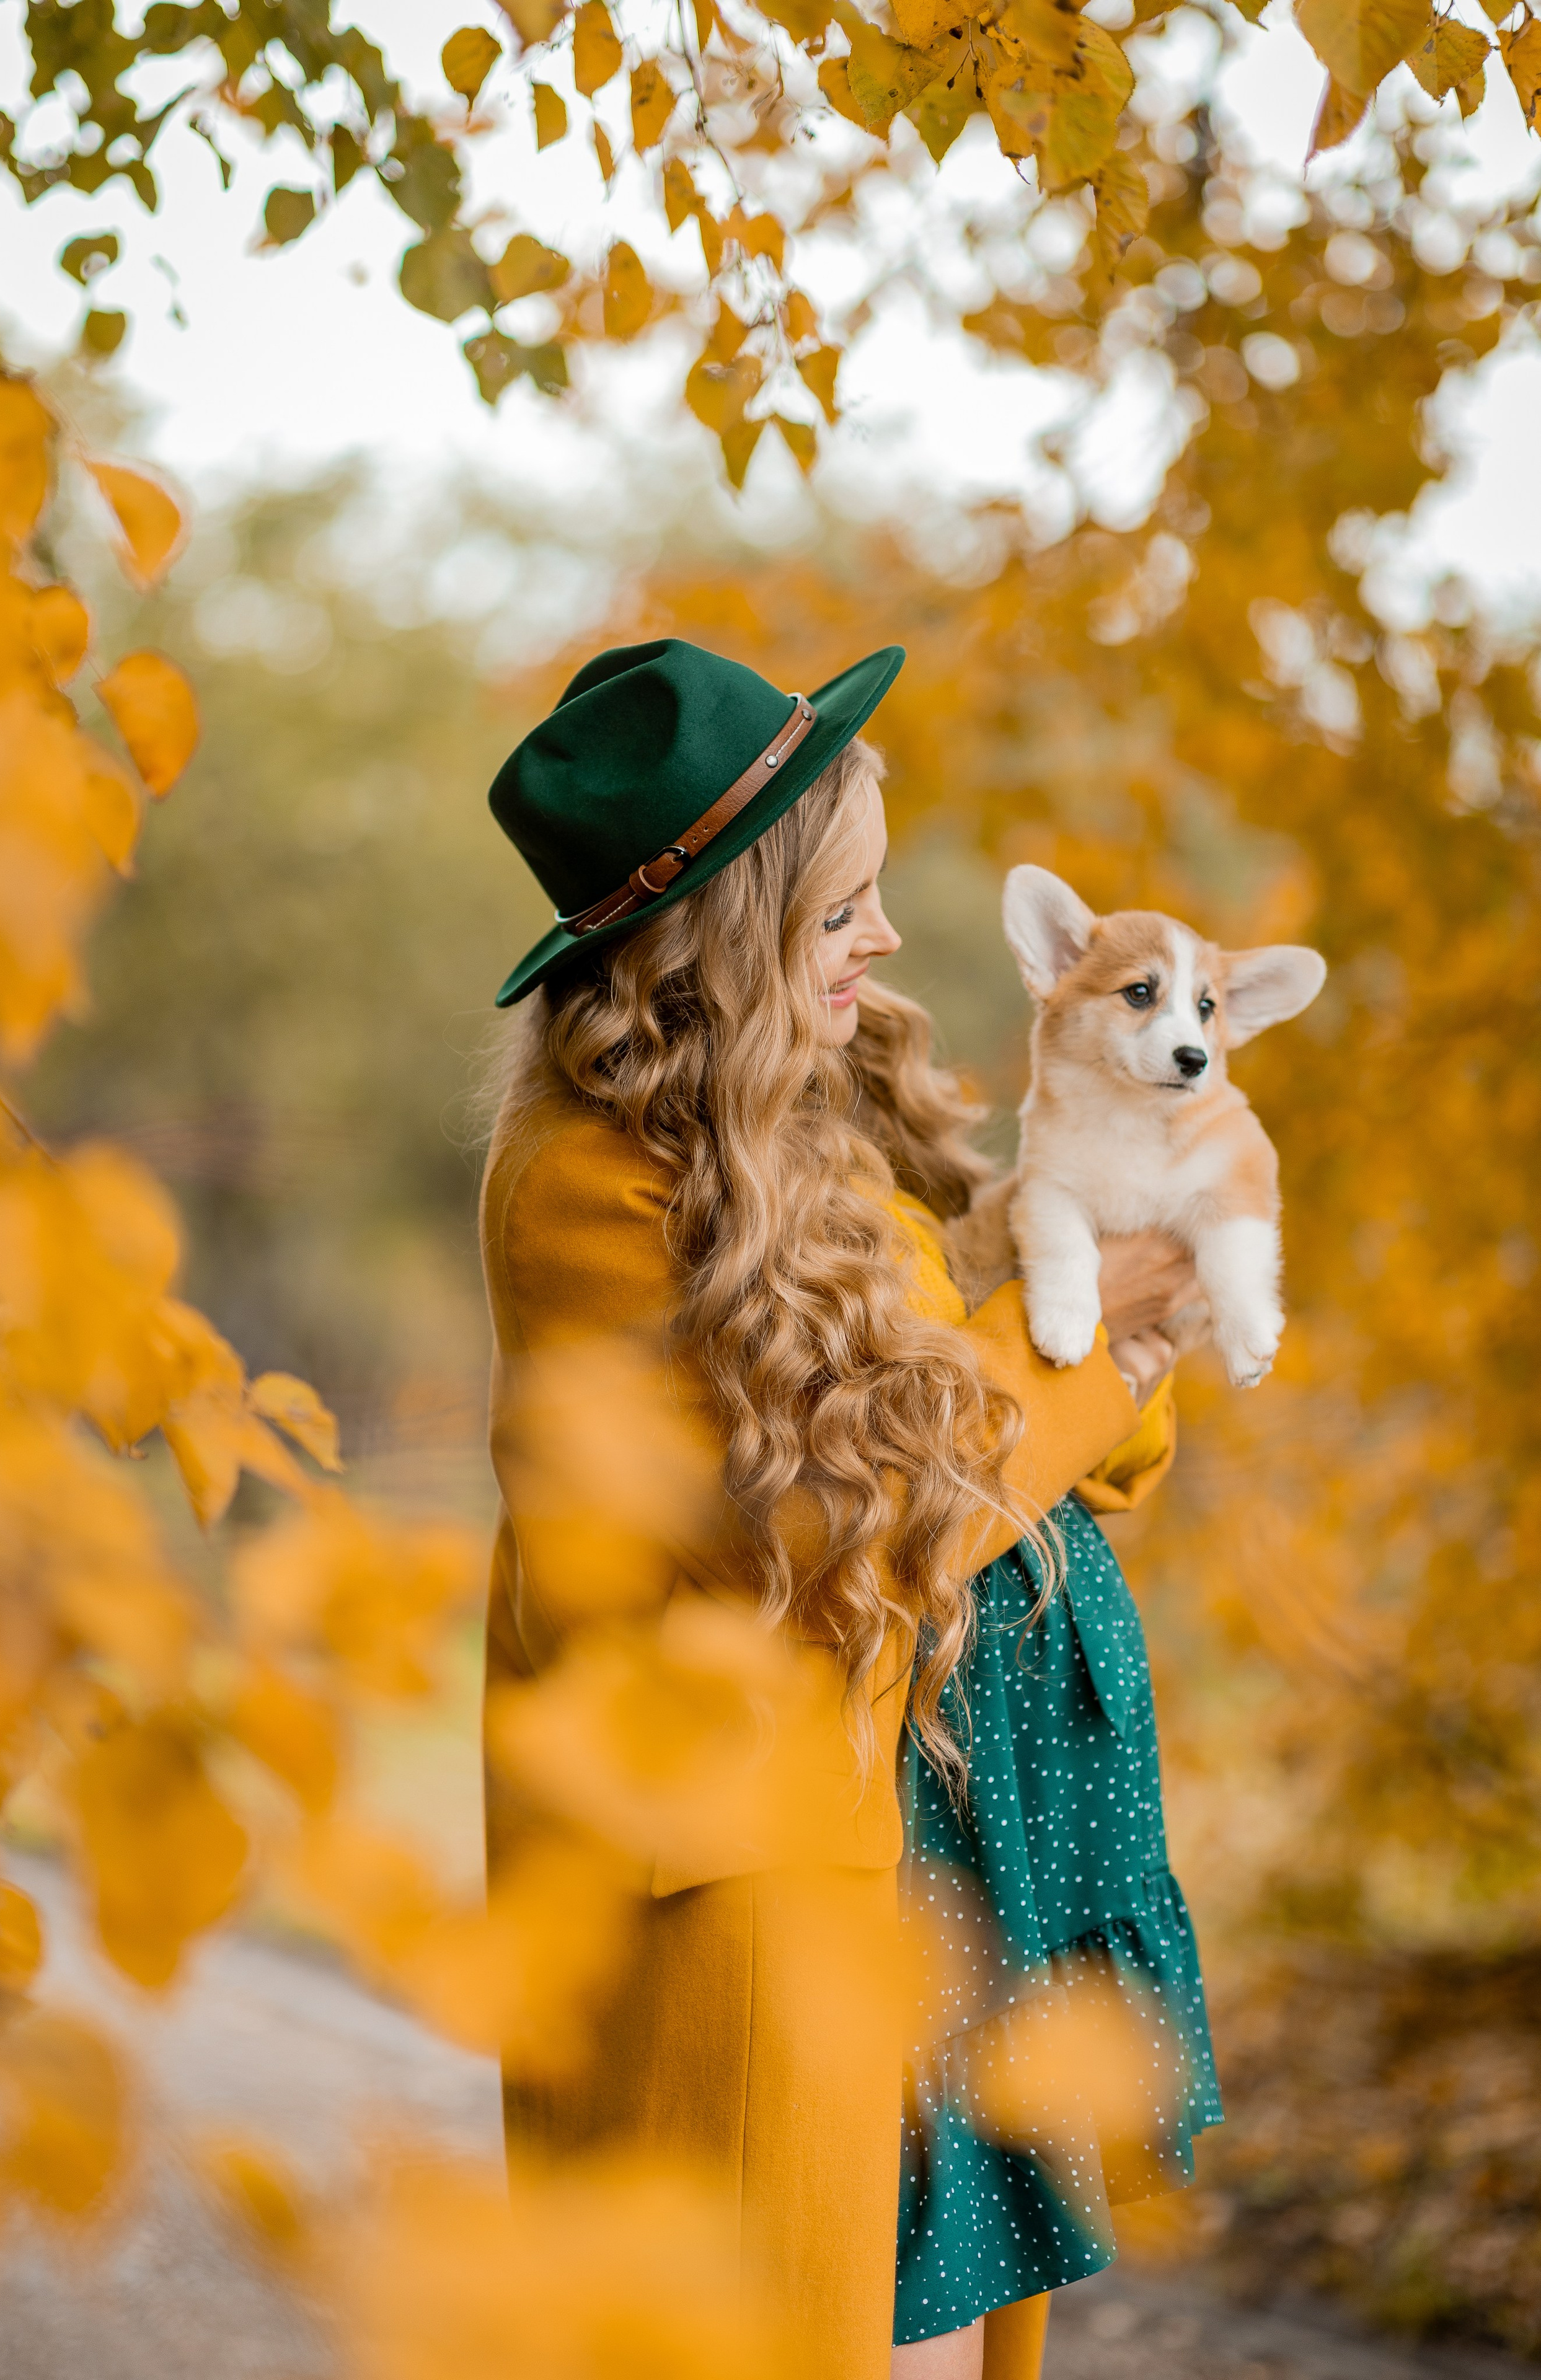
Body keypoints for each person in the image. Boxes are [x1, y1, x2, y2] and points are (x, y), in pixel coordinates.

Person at [480, 637, 1217, 2380]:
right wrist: (1101, 1338)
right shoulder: (597, 1183)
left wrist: (1088, 1356)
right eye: (839, 915)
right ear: (730, 935)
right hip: (722, 1870)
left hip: (880, 1817)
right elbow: (895, 1511)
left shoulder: (803, 1136)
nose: (881, 945)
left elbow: (1057, 1455)